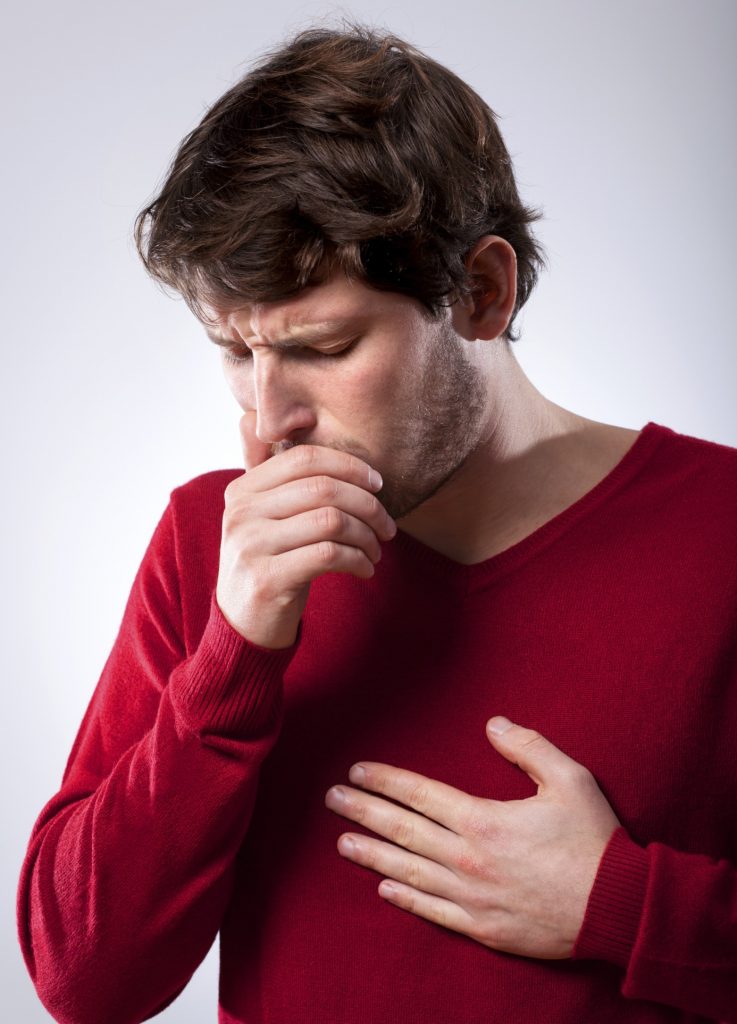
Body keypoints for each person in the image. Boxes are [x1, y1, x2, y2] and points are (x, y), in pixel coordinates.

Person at [17, 21, 737, 1024]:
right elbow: (82, 981)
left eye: (321, 347)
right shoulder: (211, 542)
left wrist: (620, 906)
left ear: (480, 293)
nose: (266, 420)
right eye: (234, 350)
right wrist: (234, 654)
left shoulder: (717, 533)